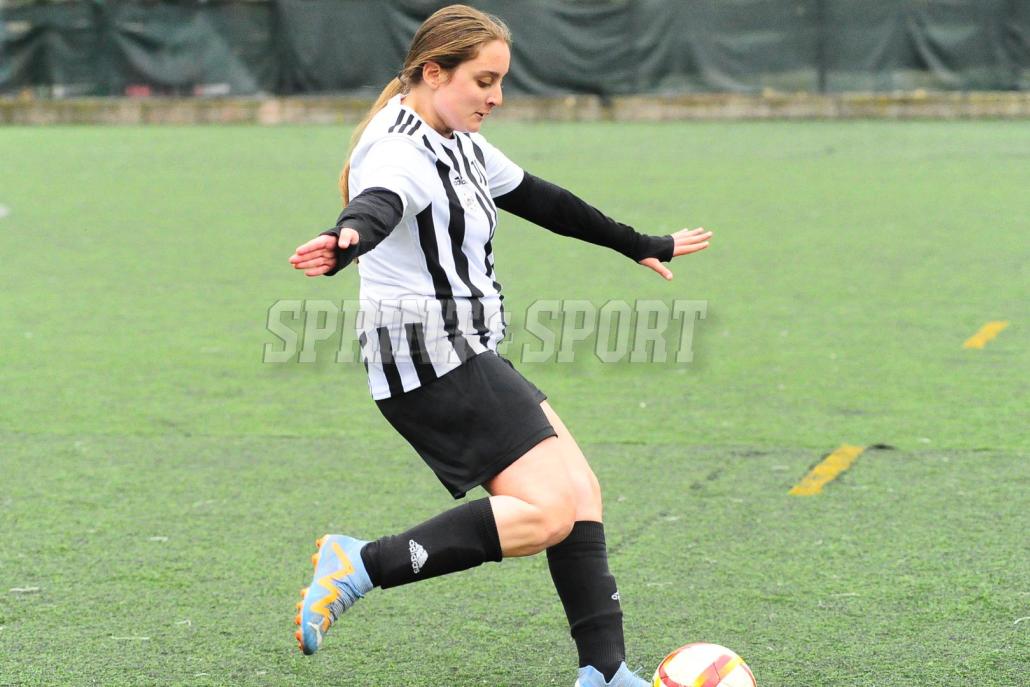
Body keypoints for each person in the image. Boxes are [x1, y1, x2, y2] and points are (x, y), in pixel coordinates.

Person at [287, 5, 711, 686]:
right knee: (547, 512)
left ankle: (605, 672)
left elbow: (543, 199)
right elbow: (379, 203)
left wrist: (640, 243)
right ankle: (361, 563)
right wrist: (347, 240)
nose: (497, 97)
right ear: (434, 72)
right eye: (484, 81)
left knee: (580, 492)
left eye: (500, 81)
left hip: (464, 349)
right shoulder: (399, 148)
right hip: (428, 356)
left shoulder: (457, 139)